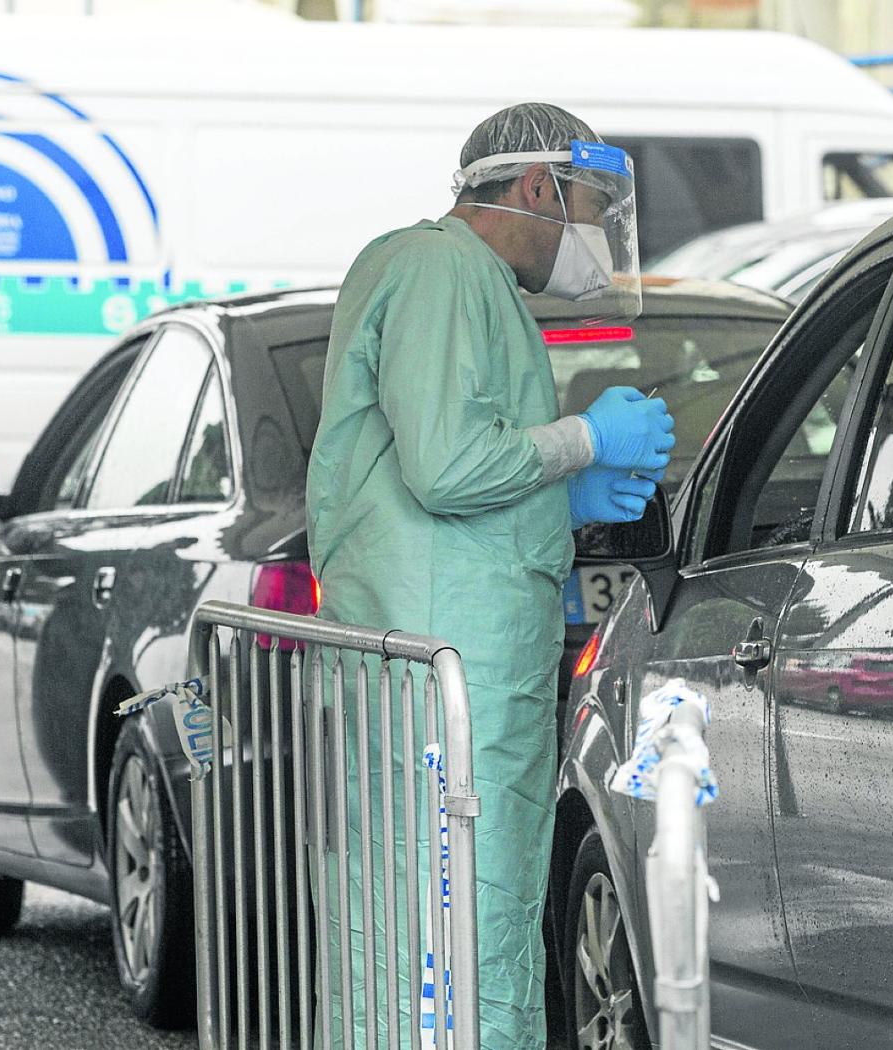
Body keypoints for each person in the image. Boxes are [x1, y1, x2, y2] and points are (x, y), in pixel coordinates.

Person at [306, 103, 675, 1047]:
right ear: (536, 186)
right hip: (441, 680)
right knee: (438, 930)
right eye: (590, 204)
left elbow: (455, 475)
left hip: (469, 668)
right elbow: (447, 465)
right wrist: (586, 436)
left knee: (477, 918)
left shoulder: (472, 282)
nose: (593, 234)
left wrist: (570, 497)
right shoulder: (439, 268)